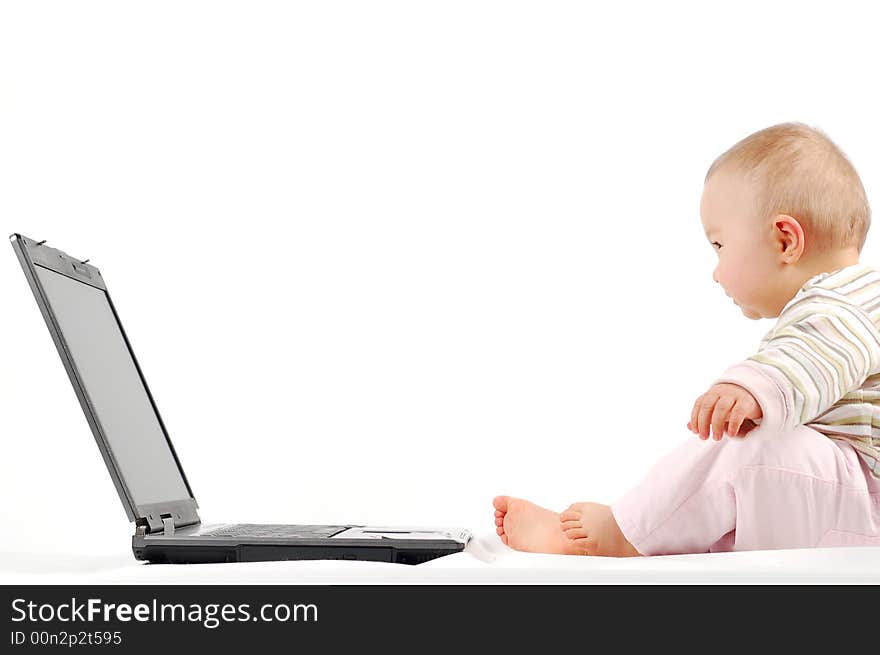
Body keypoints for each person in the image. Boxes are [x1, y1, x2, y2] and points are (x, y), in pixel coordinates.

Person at [493, 122, 880, 556]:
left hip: (862, 499)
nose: (716, 270)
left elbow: (817, 351)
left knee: (756, 445)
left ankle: (621, 535)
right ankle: (676, 538)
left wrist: (754, 386)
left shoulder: (845, 300)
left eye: (719, 244)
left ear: (785, 240)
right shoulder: (853, 299)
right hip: (844, 505)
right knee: (758, 459)